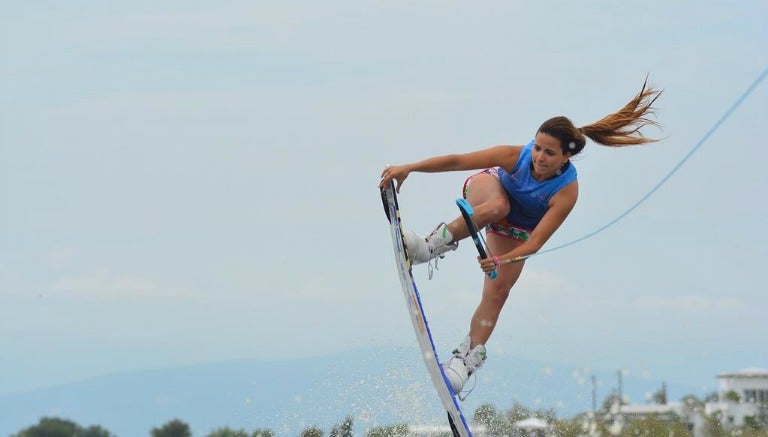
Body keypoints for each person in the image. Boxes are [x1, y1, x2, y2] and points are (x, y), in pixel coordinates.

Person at [378, 79, 662, 394]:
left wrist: (502, 259)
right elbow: (459, 161)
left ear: (565, 158)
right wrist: (411, 168)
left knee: (498, 292)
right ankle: (428, 247)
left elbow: (535, 243)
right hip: (488, 193)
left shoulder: (567, 191)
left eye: (549, 153)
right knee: (498, 205)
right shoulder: (516, 156)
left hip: (517, 231)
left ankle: (465, 361)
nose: (539, 157)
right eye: (538, 147)